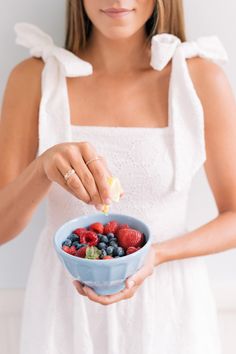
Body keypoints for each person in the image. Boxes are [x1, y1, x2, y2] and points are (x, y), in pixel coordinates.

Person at [0, 0, 236, 353]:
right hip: (63, 309)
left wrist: (157, 254)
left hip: (169, 307)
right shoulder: (32, 78)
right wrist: (43, 167)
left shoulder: (200, 78)